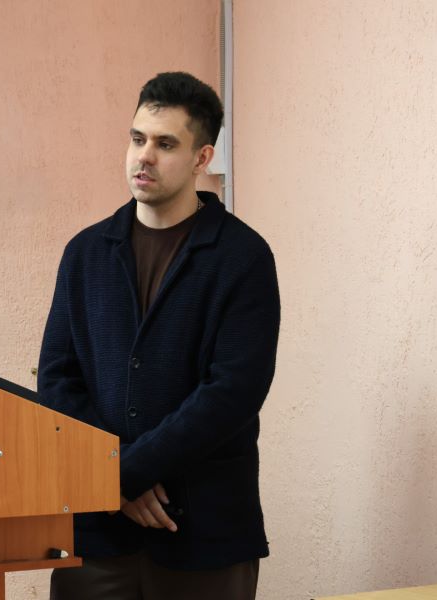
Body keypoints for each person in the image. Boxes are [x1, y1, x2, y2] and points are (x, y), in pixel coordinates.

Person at [37, 71, 280, 600]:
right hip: (96, 537)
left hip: (204, 534)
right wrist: (112, 477)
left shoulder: (243, 257)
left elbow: (233, 392)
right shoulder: (85, 253)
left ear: (201, 158)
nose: (144, 157)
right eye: (137, 138)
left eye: (166, 144)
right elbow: (57, 382)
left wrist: (123, 474)